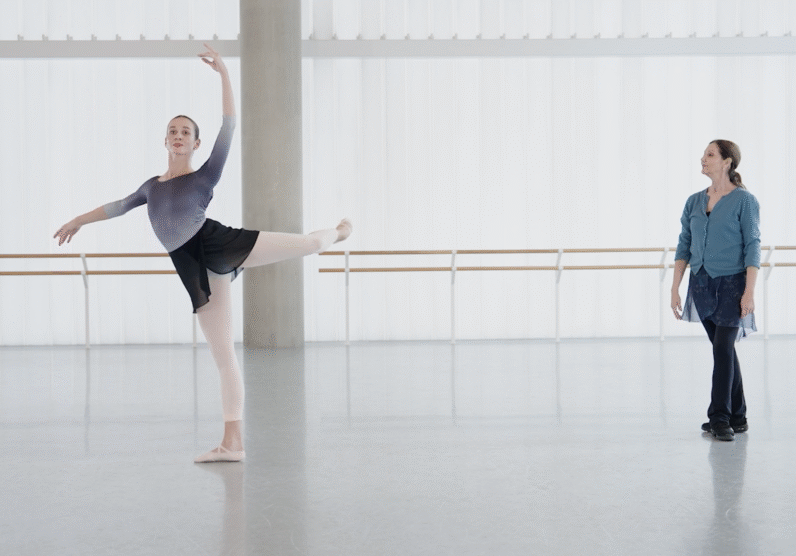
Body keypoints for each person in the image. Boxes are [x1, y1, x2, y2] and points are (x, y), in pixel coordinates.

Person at [54, 44, 352, 462]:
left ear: (195, 143)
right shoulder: (150, 187)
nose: (178, 136)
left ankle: (337, 232)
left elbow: (230, 125)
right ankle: (233, 443)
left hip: (220, 243)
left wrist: (225, 74)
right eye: (173, 131)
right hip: (194, 266)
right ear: (165, 140)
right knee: (223, 355)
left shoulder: (206, 174)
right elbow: (116, 207)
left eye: (186, 132)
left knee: (306, 244)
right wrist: (77, 220)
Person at [671, 140, 760, 442]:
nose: (703, 159)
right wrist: (675, 287)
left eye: (710, 154)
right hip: (701, 283)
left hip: (732, 284)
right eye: (704, 154)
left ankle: (719, 417)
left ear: (727, 162)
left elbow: (753, 247)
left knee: (723, 349)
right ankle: (740, 415)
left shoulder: (744, 201)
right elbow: (683, 244)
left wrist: (749, 292)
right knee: (724, 350)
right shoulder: (694, 201)